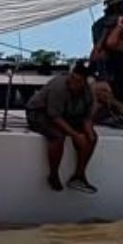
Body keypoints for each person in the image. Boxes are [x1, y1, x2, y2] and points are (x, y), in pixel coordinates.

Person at [26, 60, 99, 193]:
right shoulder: (59, 87)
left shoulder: (88, 93)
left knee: (92, 137)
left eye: (78, 81)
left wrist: (89, 134)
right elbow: (54, 116)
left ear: (85, 83)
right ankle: (53, 175)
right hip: (38, 112)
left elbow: (86, 118)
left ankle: (79, 176)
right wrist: (76, 136)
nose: (72, 82)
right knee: (57, 136)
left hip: (66, 114)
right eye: (72, 78)